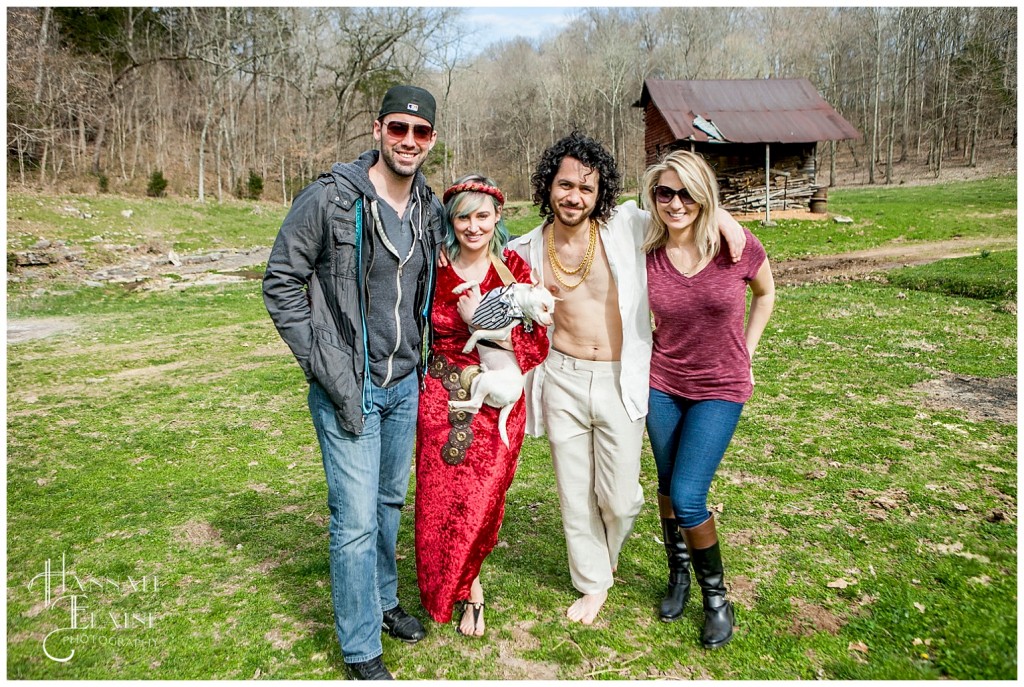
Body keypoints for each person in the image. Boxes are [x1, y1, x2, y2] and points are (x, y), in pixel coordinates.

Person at [507, 132, 746, 625]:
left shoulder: (626, 227)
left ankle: (608, 548)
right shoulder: (524, 250)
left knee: (621, 496)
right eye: (565, 185)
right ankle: (593, 580)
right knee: (575, 493)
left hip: (621, 376)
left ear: (601, 194)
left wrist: (721, 215)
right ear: (547, 186)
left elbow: (680, 207)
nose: (575, 196)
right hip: (563, 378)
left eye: (587, 189)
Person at [263, 85, 444, 680]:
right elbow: (281, 282)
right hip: (351, 387)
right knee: (355, 520)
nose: (408, 142)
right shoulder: (330, 199)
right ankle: (361, 647)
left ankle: (385, 602)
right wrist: (325, 364)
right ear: (377, 130)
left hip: (404, 383)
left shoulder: (429, 208)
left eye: (420, 133)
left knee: (389, 504)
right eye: (398, 129)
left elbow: (475, 251)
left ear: (431, 141)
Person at [641, 150, 775, 648]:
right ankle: (678, 575)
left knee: (690, 494)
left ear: (705, 197)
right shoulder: (648, 249)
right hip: (662, 384)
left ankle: (716, 599)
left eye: (688, 194)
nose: (676, 204)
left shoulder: (734, 247)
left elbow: (766, 294)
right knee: (667, 483)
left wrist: (750, 349)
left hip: (721, 386)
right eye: (665, 193)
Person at [414, 174, 549, 638]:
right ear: (452, 221)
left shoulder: (512, 268)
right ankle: (445, 589)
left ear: (497, 218)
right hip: (439, 396)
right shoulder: (433, 265)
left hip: (497, 402)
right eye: (464, 217)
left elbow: (538, 342)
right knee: (437, 499)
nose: (474, 227)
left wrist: (482, 325)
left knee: (480, 499)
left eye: (483, 217)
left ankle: (470, 584)